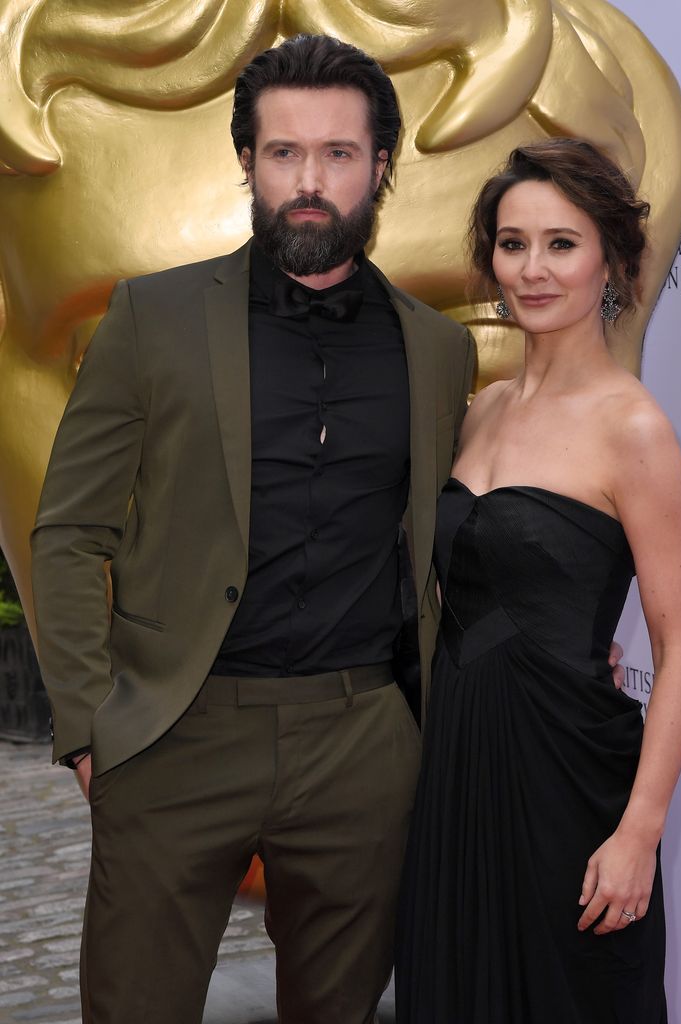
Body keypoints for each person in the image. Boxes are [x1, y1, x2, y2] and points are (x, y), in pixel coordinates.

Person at [30, 33, 476, 1024]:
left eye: (338, 153)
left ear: (381, 168)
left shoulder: (439, 350)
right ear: (246, 162)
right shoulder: (152, 317)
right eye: (283, 153)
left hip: (364, 739)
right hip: (177, 731)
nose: (309, 180)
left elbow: (443, 554)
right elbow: (68, 533)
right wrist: (91, 726)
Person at [395, 139, 681, 1023]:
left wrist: (638, 832)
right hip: (456, 757)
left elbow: (680, 648)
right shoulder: (482, 407)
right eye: (511, 242)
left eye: (561, 244)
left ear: (610, 257)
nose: (531, 269)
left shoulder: (632, 428)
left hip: (567, 776)